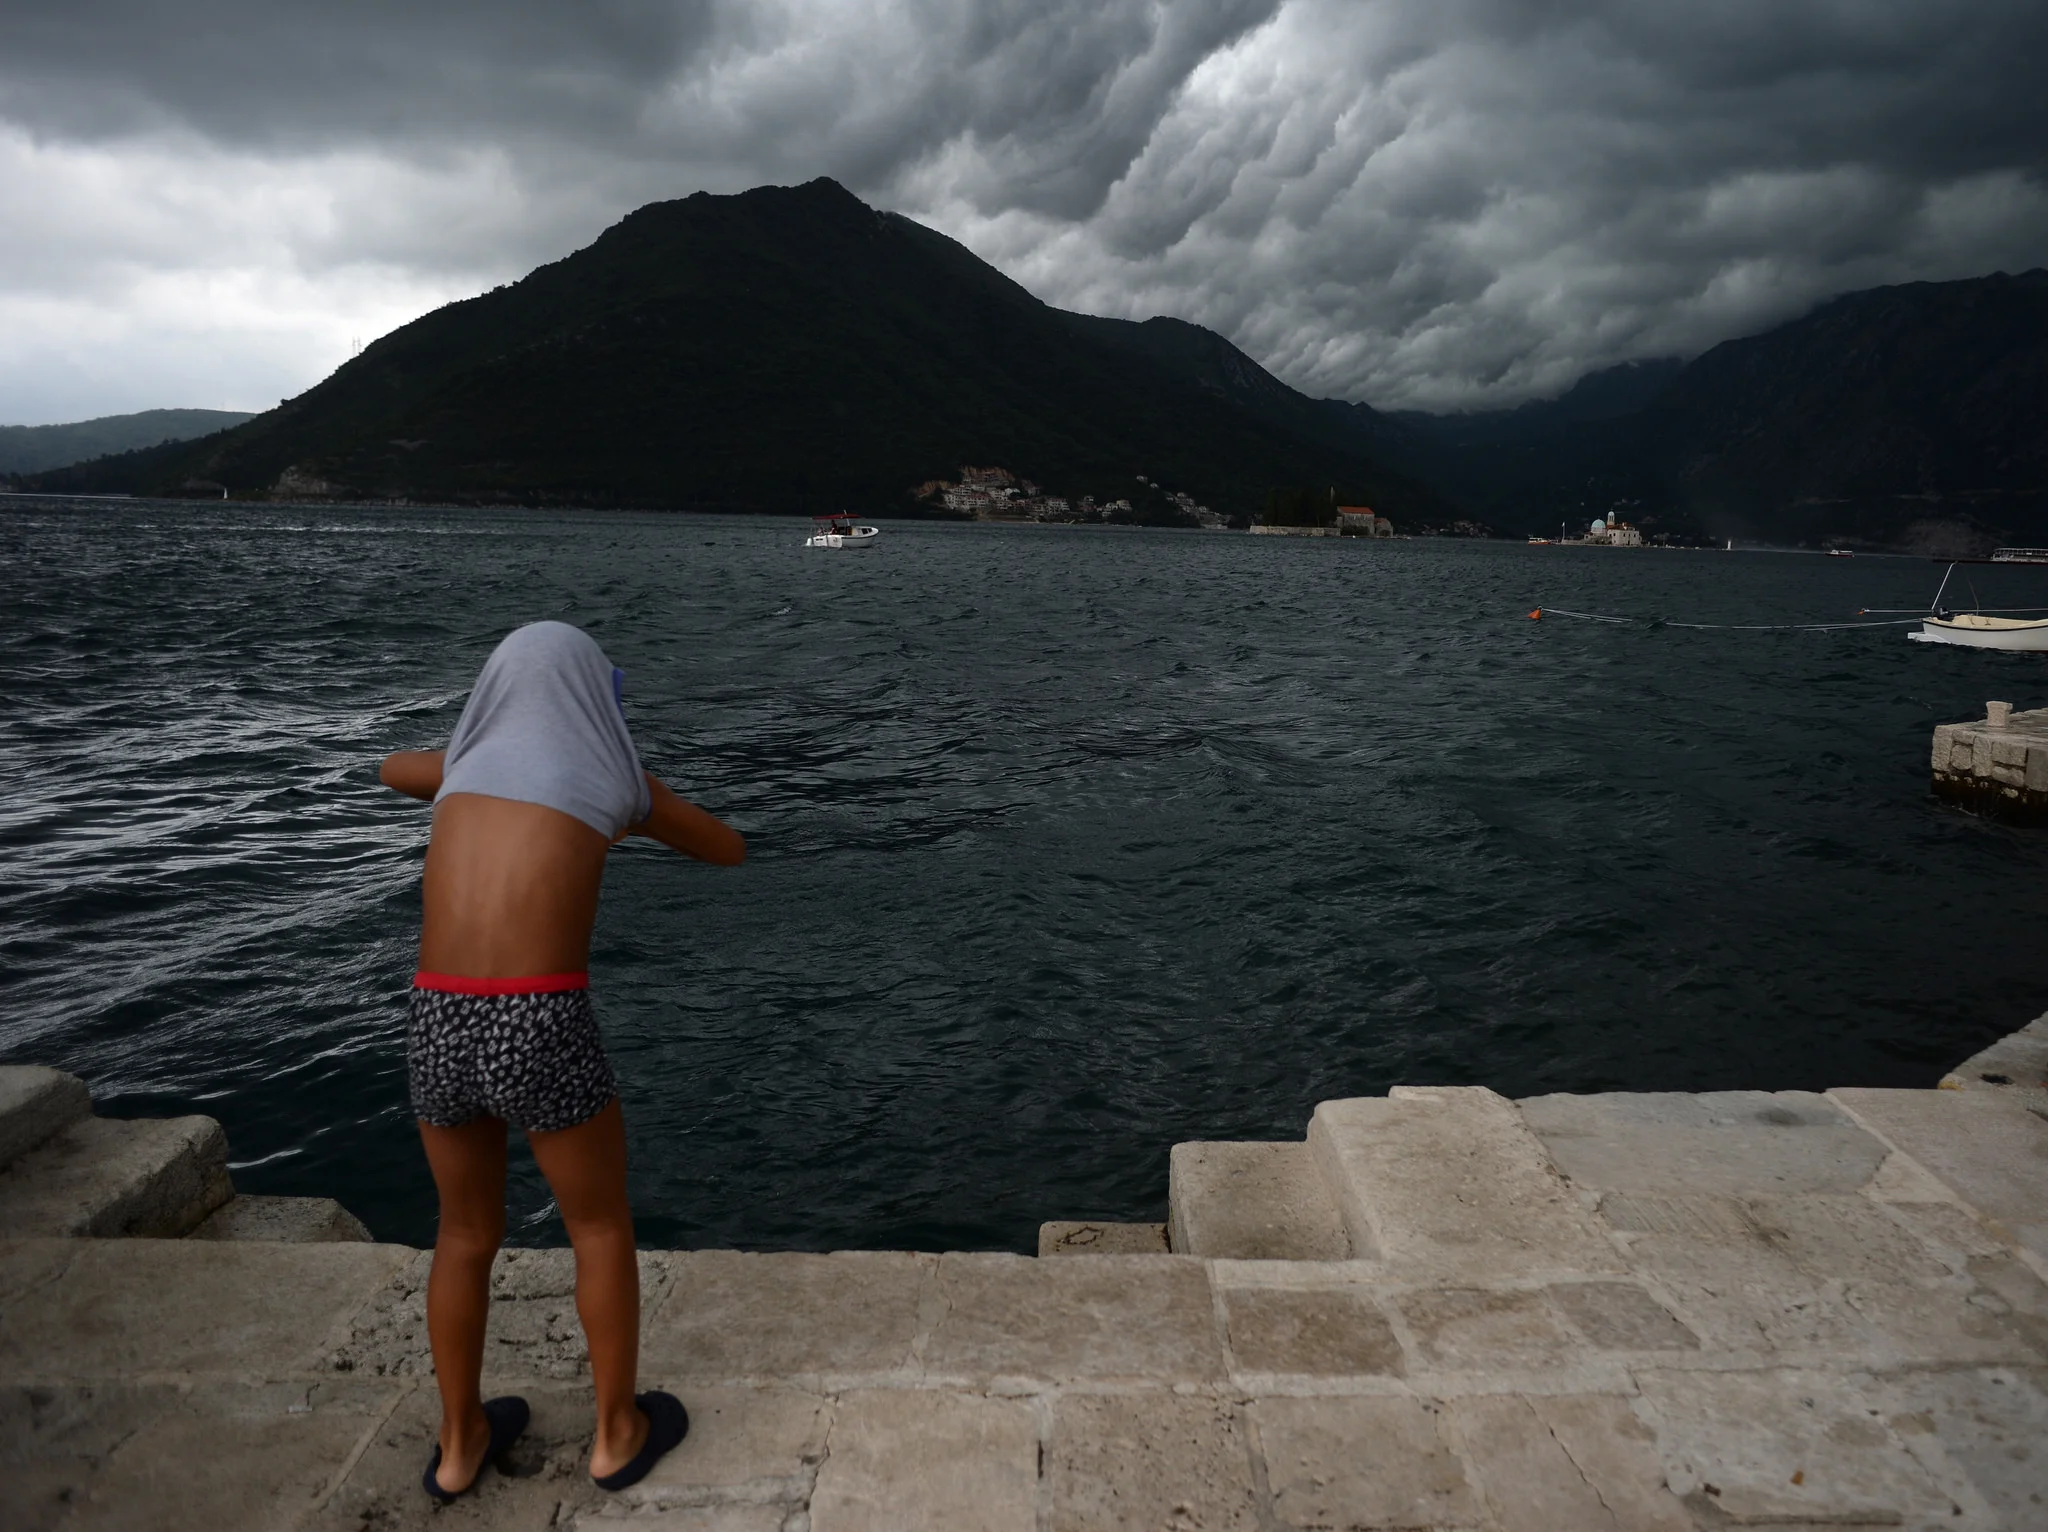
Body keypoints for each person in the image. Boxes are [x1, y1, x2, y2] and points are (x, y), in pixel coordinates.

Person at [379, 620, 744, 1503]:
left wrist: (462, 757)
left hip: (435, 1011)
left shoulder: (461, 770)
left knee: (463, 1233)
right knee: (597, 1224)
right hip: (537, 1015)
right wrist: (623, 812)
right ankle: (618, 1433)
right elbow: (727, 847)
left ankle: (460, 1443)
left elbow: (392, 767)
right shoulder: (613, 779)